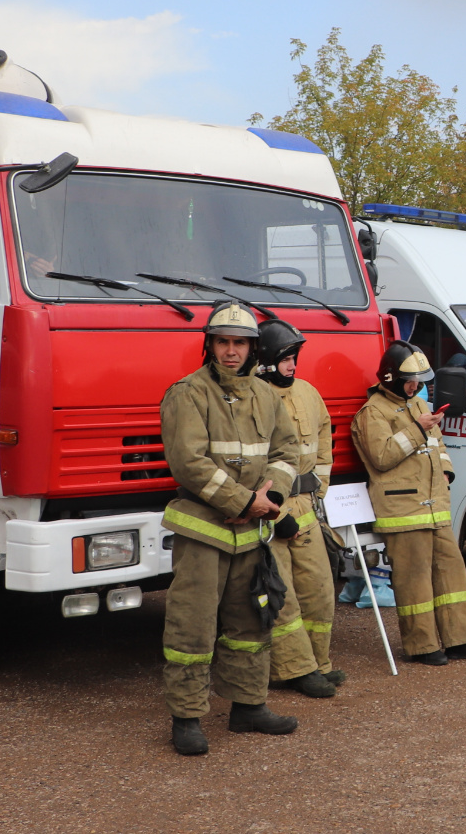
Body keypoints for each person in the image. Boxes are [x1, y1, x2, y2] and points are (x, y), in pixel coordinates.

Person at [159, 301, 303, 756]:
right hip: (204, 531)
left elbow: (287, 451)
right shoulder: (188, 393)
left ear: (252, 348)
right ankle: (186, 718)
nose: (230, 351)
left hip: (252, 534)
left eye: (239, 343)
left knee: (251, 623)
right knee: (192, 627)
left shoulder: (265, 395)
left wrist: (272, 496)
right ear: (210, 345)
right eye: (222, 342)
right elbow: (189, 462)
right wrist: (243, 500)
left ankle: (248, 707)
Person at [352, 341, 466, 665]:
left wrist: (446, 470)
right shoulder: (372, 412)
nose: (417, 386)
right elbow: (382, 456)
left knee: (451, 574)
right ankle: (421, 646)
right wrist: (418, 429)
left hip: (434, 505)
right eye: (411, 380)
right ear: (390, 377)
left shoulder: (417, 403)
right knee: (413, 580)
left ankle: (461, 640)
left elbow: (438, 445)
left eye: (420, 380)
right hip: (402, 511)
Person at [255, 320, 344, 699]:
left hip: (307, 507)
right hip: (271, 512)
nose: (293, 366)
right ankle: (295, 671)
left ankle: (319, 663)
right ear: (266, 361)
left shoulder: (308, 392)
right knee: (285, 597)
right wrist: (275, 510)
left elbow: (325, 436)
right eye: (286, 359)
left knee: (320, 591)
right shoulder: (255, 397)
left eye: (294, 358)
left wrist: (319, 487)